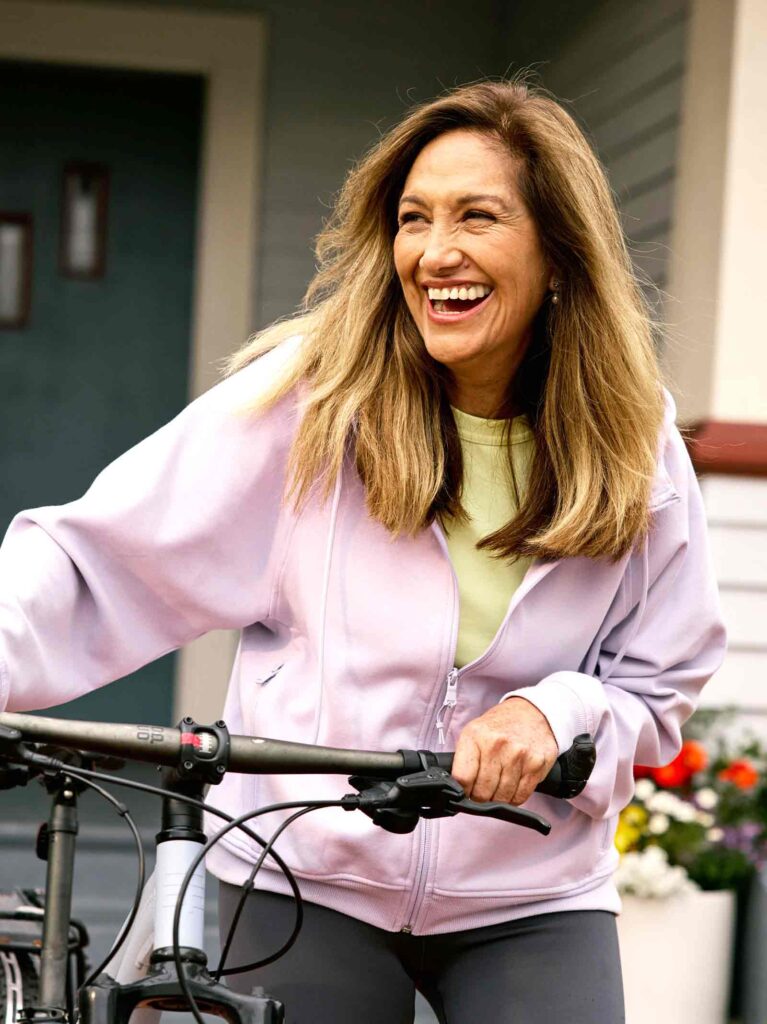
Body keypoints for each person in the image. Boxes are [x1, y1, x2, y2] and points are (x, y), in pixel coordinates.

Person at [0, 80, 725, 1022]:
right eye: (413, 219)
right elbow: (91, 564)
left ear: (557, 252)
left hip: (528, 890)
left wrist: (557, 713)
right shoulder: (308, 405)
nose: (434, 252)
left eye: (477, 216)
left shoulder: (633, 437)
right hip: (305, 870)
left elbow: (657, 681)